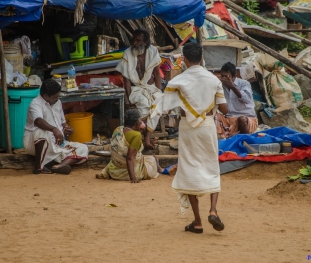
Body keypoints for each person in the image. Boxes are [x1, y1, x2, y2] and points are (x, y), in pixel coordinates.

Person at [145, 42, 228, 233]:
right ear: (201, 57)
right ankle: (213, 210)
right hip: (207, 126)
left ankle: (198, 222)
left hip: (188, 128)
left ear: (184, 59)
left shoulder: (177, 82)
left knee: (189, 169)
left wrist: (148, 133)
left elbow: (160, 108)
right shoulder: (214, 80)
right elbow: (225, 109)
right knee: (212, 167)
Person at [23, 79, 88, 175]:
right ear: (46, 96)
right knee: (41, 131)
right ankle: (39, 167)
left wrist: (67, 128)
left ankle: (59, 166)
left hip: (57, 144)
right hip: (34, 144)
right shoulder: (35, 104)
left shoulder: (58, 103)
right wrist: (54, 129)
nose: (57, 99)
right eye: (55, 97)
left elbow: (62, 122)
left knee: (84, 148)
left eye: (58, 96)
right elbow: (38, 121)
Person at [115, 29, 163, 148]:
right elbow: (126, 79)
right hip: (135, 89)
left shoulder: (153, 51)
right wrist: (129, 98)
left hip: (150, 87)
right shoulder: (127, 53)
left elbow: (157, 74)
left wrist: (159, 91)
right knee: (144, 103)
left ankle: (146, 138)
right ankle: (138, 135)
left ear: (146, 42)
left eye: (138, 40)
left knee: (159, 103)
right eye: (133, 40)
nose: (135, 43)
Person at [96, 109, 162, 183]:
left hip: (115, 172)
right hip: (131, 173)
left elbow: (129, 147)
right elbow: (130, 158)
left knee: (147, 158)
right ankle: (159, 170)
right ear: (137, 123)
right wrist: (133, 178)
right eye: (141, 121)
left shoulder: (118, 129)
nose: (142, 123)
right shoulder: (137, 135)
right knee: (153, 159)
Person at [215, 62, 258, 138]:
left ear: (234, 76)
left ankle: (245, 141)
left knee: (242, 120)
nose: (224, 79)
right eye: (222, 76)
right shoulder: (220, 86)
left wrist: (232, 86)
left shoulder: (244, 84)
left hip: (246, 119)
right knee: (213, 116)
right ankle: (223, 139)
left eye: (226, 76)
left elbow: (247, 99)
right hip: (228, 119)